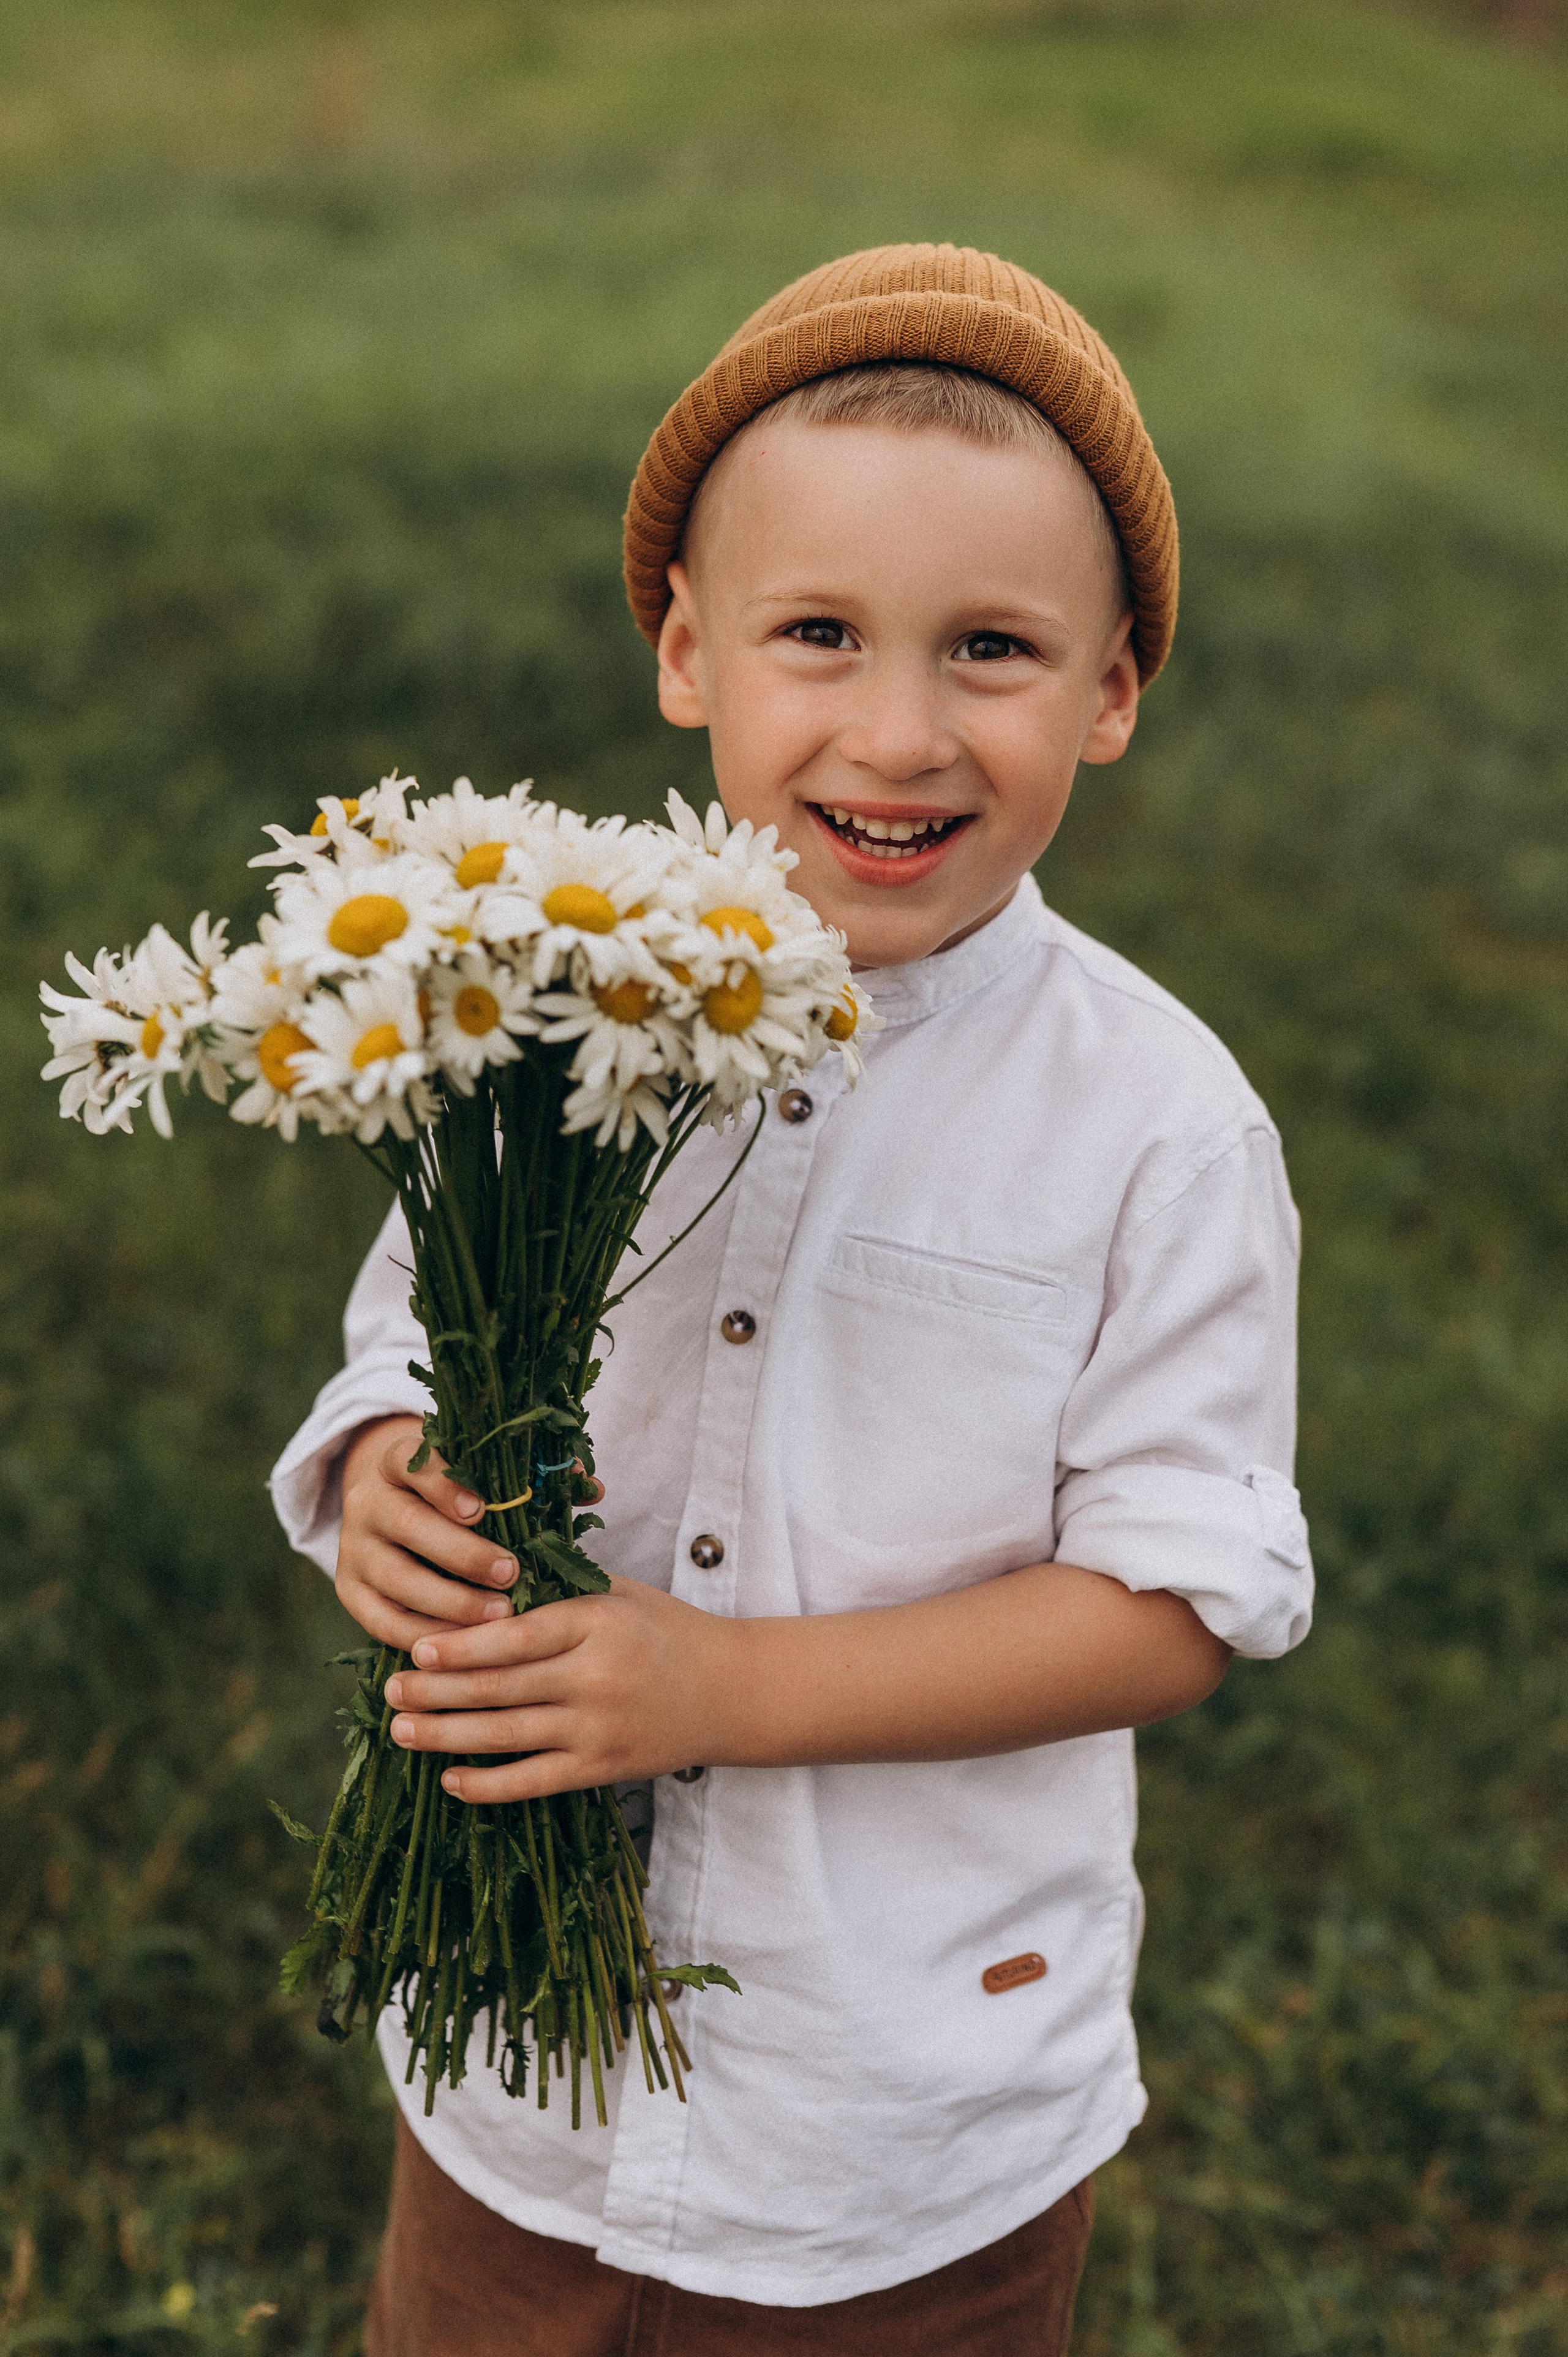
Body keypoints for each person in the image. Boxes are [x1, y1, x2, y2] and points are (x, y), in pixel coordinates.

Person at [271, 243, 1313, 2356]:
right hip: (516, 2090)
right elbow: (411, 1321)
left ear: (1114, 692)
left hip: (902, 2128)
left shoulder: (1158, 1128)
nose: (901, 730)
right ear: (686, 650)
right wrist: (385, 1461)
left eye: (997, 650)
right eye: (820, 634)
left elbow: (1171, 1602)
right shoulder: (537, 1002)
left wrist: (727, 1696)